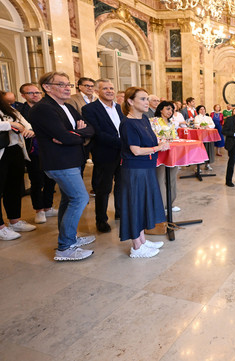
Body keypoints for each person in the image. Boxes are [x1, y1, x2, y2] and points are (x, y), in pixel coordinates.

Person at [28, 71, 95, 261]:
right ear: (47, 87)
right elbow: (64, 136)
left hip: (72, 159)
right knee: (80, 199)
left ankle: (69, 238)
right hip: (59, 162)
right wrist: (76, 134)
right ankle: (65, 248)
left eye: (69, 84)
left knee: (68, 200)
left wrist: (75, 134)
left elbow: (90, 128)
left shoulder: (66, 106)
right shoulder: (43, 109)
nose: (67, 88)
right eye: (61, 84)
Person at [119, 87, 168, 258]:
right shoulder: (128, 123)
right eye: (143, 99)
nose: (147, 102)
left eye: (147, 99)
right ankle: (136, 247)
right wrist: (158, 147)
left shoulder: (144, 120)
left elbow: (148, 142)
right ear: (130, 102)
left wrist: (158, 143)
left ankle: (142, 240)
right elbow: (136, 150)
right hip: (135, 170)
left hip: (146, 168)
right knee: (135, 206)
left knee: (142, 204)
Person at [82, 79, 125, 233]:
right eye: (105, 88)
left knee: (121, 185)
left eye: (112, 88)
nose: (109, 91)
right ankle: (101, 219)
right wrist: (122, 142)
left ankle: (120, 212)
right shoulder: (89, 109)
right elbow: (97, 133)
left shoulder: (119, 108)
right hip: (104, 153)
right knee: (103, 188)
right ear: (97, 91)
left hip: (122, 154)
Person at [16, 83, 58, 224]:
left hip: (50, 149)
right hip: (33, 151)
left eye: (37, 92)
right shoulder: (21, 111)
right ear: (23, 95)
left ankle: (48, 206)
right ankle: (39, 210)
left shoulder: (49, 107)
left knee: (50, 179)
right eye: (31, 93)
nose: (35, 95)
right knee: (37, 181)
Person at [0, 91, 37, 241]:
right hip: (1, 152)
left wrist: (28, 130)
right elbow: (13, 124)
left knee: (14, 188)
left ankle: (14, 220)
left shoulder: (11, 110)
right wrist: (11, 124)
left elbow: (26, 124)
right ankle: (1, 227)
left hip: (15, 150)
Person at [152, 101, 180, 212]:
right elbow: (155, 137)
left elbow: (176, 136)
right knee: (160, 179)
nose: (170, 111)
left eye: (172, 109)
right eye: (168, 109)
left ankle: (170, 203)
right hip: (160, 154)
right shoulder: (154, 121)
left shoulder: (172, 122)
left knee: (172, 178)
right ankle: (161, 205)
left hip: (172, 153)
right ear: (160, 109)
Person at [194, 105, 216, 171]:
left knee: (208, 149)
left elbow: (213, 125)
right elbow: (196, 124)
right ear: (198, 111)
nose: (202, 110)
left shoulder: (208, 117)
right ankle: (198, 166)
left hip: (209, 136)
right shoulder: (197, 117)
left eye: (203, 109)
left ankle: (207, 164)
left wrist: (207, 126)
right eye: (201, 109)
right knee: (200, 149)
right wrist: (200, 126)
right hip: (200, 136)